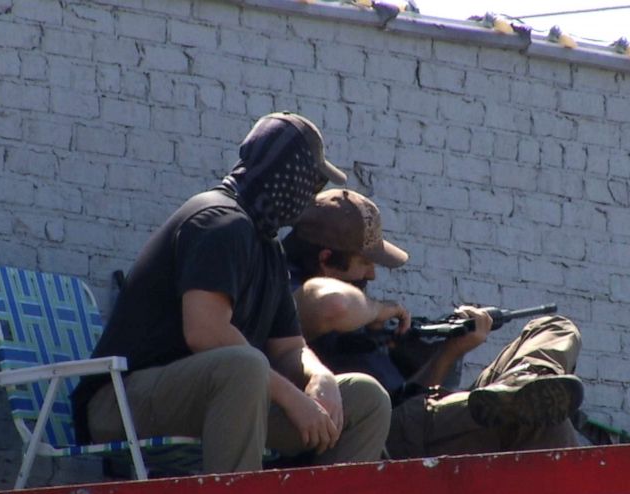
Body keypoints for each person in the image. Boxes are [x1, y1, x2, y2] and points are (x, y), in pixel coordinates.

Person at [70, 114, 391, 474]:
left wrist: (321, 378)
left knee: (365, 398)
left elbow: (289, 348)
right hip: (122, 404)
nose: (312, 194)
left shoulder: (268, 245)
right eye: (310, 180)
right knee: (245, 365)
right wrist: (291, 398)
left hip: (225, 398)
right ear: (286, 174)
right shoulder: (219, 221)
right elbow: (206, 333)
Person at [282, 188, 585, 459]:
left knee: (554, 327)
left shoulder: (356, 309)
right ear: (325, 259)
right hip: (387, 429)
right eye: (365, 262)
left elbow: (414, 397)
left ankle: (525, 383)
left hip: (419, 416)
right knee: (546, 427)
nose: (372, 275)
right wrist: (377, 310)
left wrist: (452, 350)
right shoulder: (288, 292)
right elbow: (331, 305)